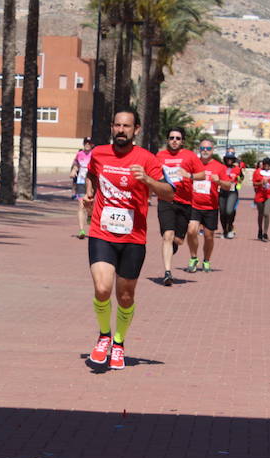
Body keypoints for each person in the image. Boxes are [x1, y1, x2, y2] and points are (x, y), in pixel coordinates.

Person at [83, 108, 174, 369]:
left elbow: (169, 193)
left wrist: (147, 180)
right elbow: (92, 173)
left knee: (125, 296)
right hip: (101, 233)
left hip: (133, 238)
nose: (121, 130)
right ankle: (103, 337)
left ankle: (119, 343)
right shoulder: (99, 153)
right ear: (112, 127)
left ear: (136, 130)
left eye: (127, 126)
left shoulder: (147, 159)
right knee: (102, 288)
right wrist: (90, 193)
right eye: (117, 125)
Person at [156, 127, 206, 286]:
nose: (174, 141)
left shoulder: (189, 156)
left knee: (178, 240)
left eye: (177, 138)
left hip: (185, 203)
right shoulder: (160, 156)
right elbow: (152, 174)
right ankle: (167, 273)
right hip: (166, 200)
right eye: (171, 138)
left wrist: (188, 175)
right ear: (167, 140)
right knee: (167, 236)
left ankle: (173, 247)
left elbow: (202, 175)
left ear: (182, 141)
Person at [187, 139, 231, 273]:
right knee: (191, 231)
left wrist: (219, 181)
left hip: (211, 207)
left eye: (208, 148)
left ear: (213, 150)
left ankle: (206, 260)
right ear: (199, 149)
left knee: (208, 236)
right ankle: (194, 257)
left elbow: (229, 186)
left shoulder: (219, 167)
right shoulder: (193, 164)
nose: (205, 151)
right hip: (194, 205)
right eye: (202, 148)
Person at [252, 157, 270, 241]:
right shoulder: (257, 172)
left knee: (266, 213)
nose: (266, 166)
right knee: (260, 214)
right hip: (260, 195)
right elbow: (254, 183)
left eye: (268, 165)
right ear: (263, 165)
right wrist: (261, 183)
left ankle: (265, 233)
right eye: (265, 165)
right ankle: (260, 230)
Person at [71, 137, 93, 238]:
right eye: (85, 143)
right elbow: (76, 164)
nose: (87, 145)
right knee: (81, 205)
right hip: (81, 181)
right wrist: (74, 170)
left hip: (91, 182)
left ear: (92, 144)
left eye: (89, 143)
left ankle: (89, 215)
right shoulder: (79, 154)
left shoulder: (95, 154)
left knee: (90, 204)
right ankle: (81, 230)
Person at [219, 152, 243, 238]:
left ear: (233, 160)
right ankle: (224, 230)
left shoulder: (237, 169)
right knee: (222, 212)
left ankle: (230, 227)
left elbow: (241, 177)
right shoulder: (221, 168)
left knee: (229, 210)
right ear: (225, 159)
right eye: (228, 159)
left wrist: (239, 181)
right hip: (222, 191)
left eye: (231, 159)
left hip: (232, 191)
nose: (229, 160)